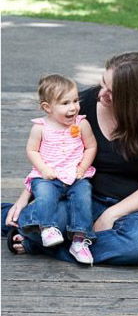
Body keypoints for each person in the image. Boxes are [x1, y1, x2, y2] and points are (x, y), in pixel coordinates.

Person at [4, 52, 138, 265]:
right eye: (103, 84)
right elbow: (49, 155)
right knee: (45, 224)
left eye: (113, 93)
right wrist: (24, 196)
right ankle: (28, 227)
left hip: (130, 206)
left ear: (134, 99)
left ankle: (33, 243)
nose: (102, 94)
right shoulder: (79, 106)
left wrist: (110, 215)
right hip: (79, 197)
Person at [9, 74, 98, 264]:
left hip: (75, 174)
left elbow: (91, 146)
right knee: (45, 196)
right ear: (47, 108)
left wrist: (82, 167)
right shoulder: (40, 128)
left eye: (75, 100)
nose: (73, 107)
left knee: (83, 196)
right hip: (48, 175)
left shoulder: (81, 123)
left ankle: (79, 239)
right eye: (65, 103)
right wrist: (44, 169)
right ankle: (47, 228)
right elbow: (32, 150)